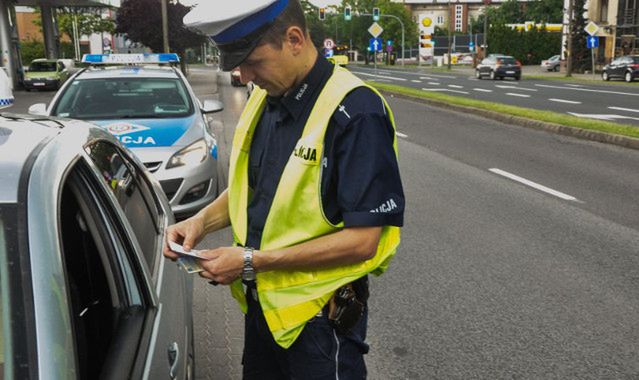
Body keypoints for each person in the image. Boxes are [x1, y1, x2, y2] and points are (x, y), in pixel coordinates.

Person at [166, 0, 404, 377]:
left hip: (321, 328)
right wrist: (199, 223)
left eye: (252, 62)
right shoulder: (266, 97)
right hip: (265, 316)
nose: (244, 76)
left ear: (294, 39)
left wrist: (248, 261)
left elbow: (363, 242)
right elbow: (256, 190)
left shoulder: (357, 112)